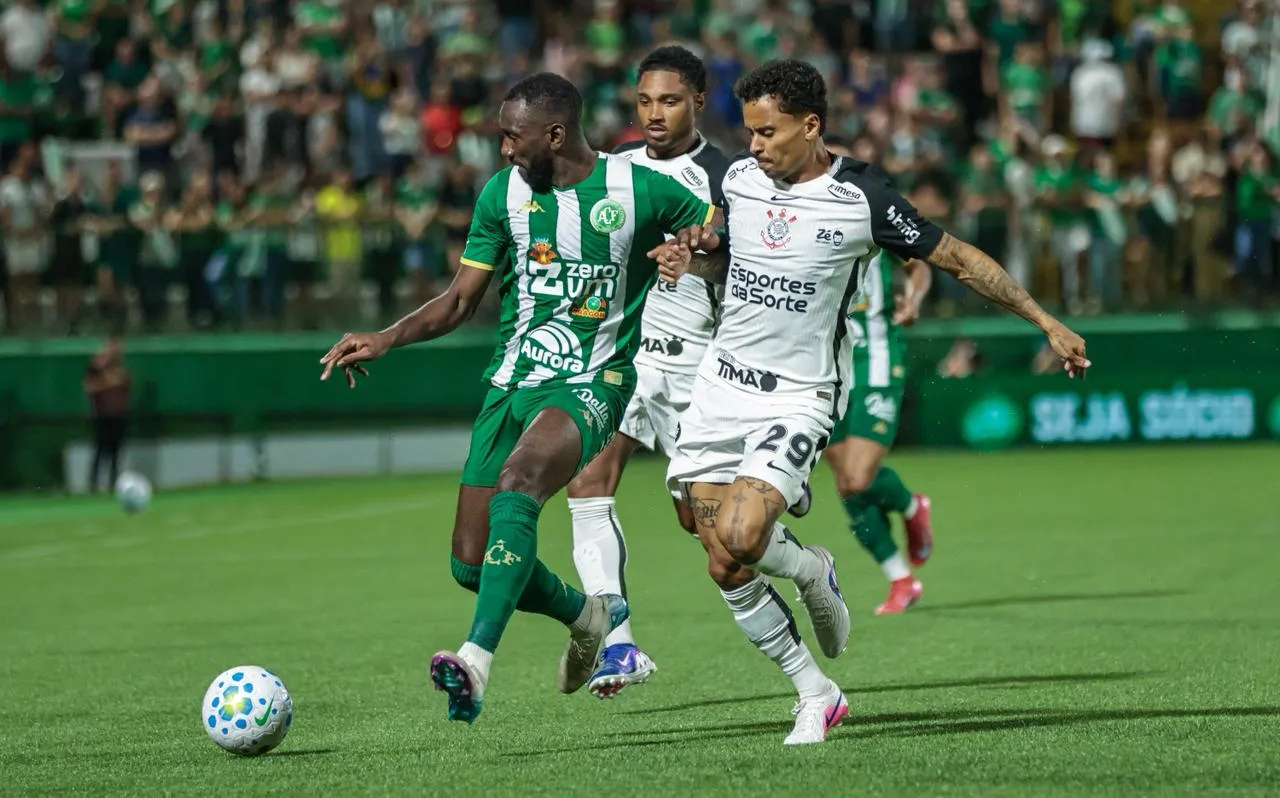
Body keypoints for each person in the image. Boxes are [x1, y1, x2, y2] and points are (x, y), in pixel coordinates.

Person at [655, 59, 1089, 745]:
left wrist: (1044, 321)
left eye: (768, 132)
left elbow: (960, 260)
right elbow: (723, 258)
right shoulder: (737, 180)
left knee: (742, 535)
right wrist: (696, 257)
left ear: (811, 124)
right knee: (718, 556)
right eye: (750, 133)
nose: (756, 146)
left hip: (797, 397)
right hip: (717, 388)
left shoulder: (862, 198)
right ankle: (814, 678)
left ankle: (809, 573)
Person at [318, 73, 715, 725]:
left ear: (554, 135)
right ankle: (587, 614)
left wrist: (692, 248)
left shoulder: (636, 187)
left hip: (593, 381)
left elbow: (715, 228)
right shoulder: (502, 195)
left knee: (520, 482)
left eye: (511, 135)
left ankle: (475, 661)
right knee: (471, 565)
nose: (502, 148)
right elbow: (457, 302)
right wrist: (386, 338)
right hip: (511, 385)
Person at [563, 45, 731, 698]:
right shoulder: (611, 170)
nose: (653, 114)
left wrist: (698, 259)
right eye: (643, 101)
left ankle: (804, 568)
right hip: (624, 358)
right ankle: (620, 644)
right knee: (588, 482)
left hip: (700, 367)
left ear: (696, 100)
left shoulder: (728, 175)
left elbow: (742, 269)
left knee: (714, 536)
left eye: (668, 100)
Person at [811, 138, 936, 616]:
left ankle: (908, 506)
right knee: (846, 484)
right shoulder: (796, 214)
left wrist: (914, 297)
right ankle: (900, 579)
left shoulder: (868, 207)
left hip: (876, 356)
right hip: (822, 365)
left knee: (860, 475)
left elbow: (918, 261)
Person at [83, 338, 132, 493]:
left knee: (116, 453)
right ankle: (94, 484)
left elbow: (125, 384)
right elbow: (90, 385)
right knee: (100, 451)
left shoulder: (121, 373)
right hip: (102, 417)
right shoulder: (97, 373)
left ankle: (114, 483)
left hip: (118, 417)